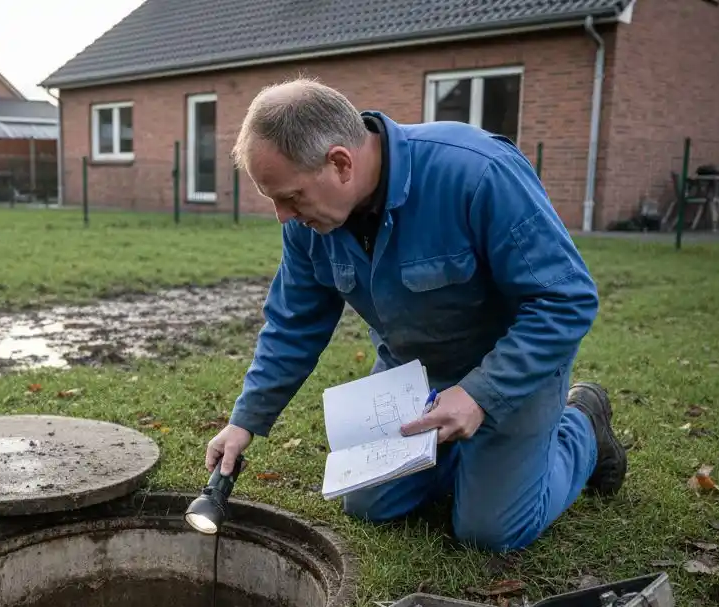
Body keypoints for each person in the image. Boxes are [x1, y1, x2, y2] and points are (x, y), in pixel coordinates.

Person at [204, 78, 626, 552]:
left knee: (489, 532)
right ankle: (470, 458)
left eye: (291, 197)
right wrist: (245, 421)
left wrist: (480, 395)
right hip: (415, 377)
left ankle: (582, 426)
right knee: (367, 504)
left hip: (510, 372)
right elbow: (293, 324)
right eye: (273, 199)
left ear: (340, 162)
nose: (283, 215)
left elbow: (566, 299)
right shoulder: (310, 223)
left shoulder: (477, 172)